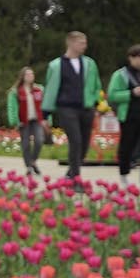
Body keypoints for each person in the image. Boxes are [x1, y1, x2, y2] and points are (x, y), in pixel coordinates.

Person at [42, 31, 100, 178]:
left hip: (86, 108)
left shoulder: (89, 63)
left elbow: (96, 86)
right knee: (76, 141)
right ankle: (76, 179)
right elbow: (50, 88)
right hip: (66, 108)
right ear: (71, 43)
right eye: (82, 43)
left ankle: (70, 174)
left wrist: (98, 105)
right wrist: (45, 114)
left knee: (84, 145)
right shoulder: (56, 65)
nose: (85, 46)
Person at [106, 45, 140, 185]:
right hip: (128, 117)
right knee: (126, 148)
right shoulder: (120, 75)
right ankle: (124, 174)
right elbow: (112, 95)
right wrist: (131, 93)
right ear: (131, 58)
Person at [7, 66, 46, 176]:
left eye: (32, 74)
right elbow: (12, 107)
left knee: (39, 140)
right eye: (28, 74)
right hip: (23, 121)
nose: (30, 76)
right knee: (25, 144)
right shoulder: (16, 92)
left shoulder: (39, 89)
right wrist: (14, 121)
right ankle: (29, 166)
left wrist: (47, 119)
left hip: (37, 119)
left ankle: (33, 161)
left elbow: (44, 105)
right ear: (23, 77)